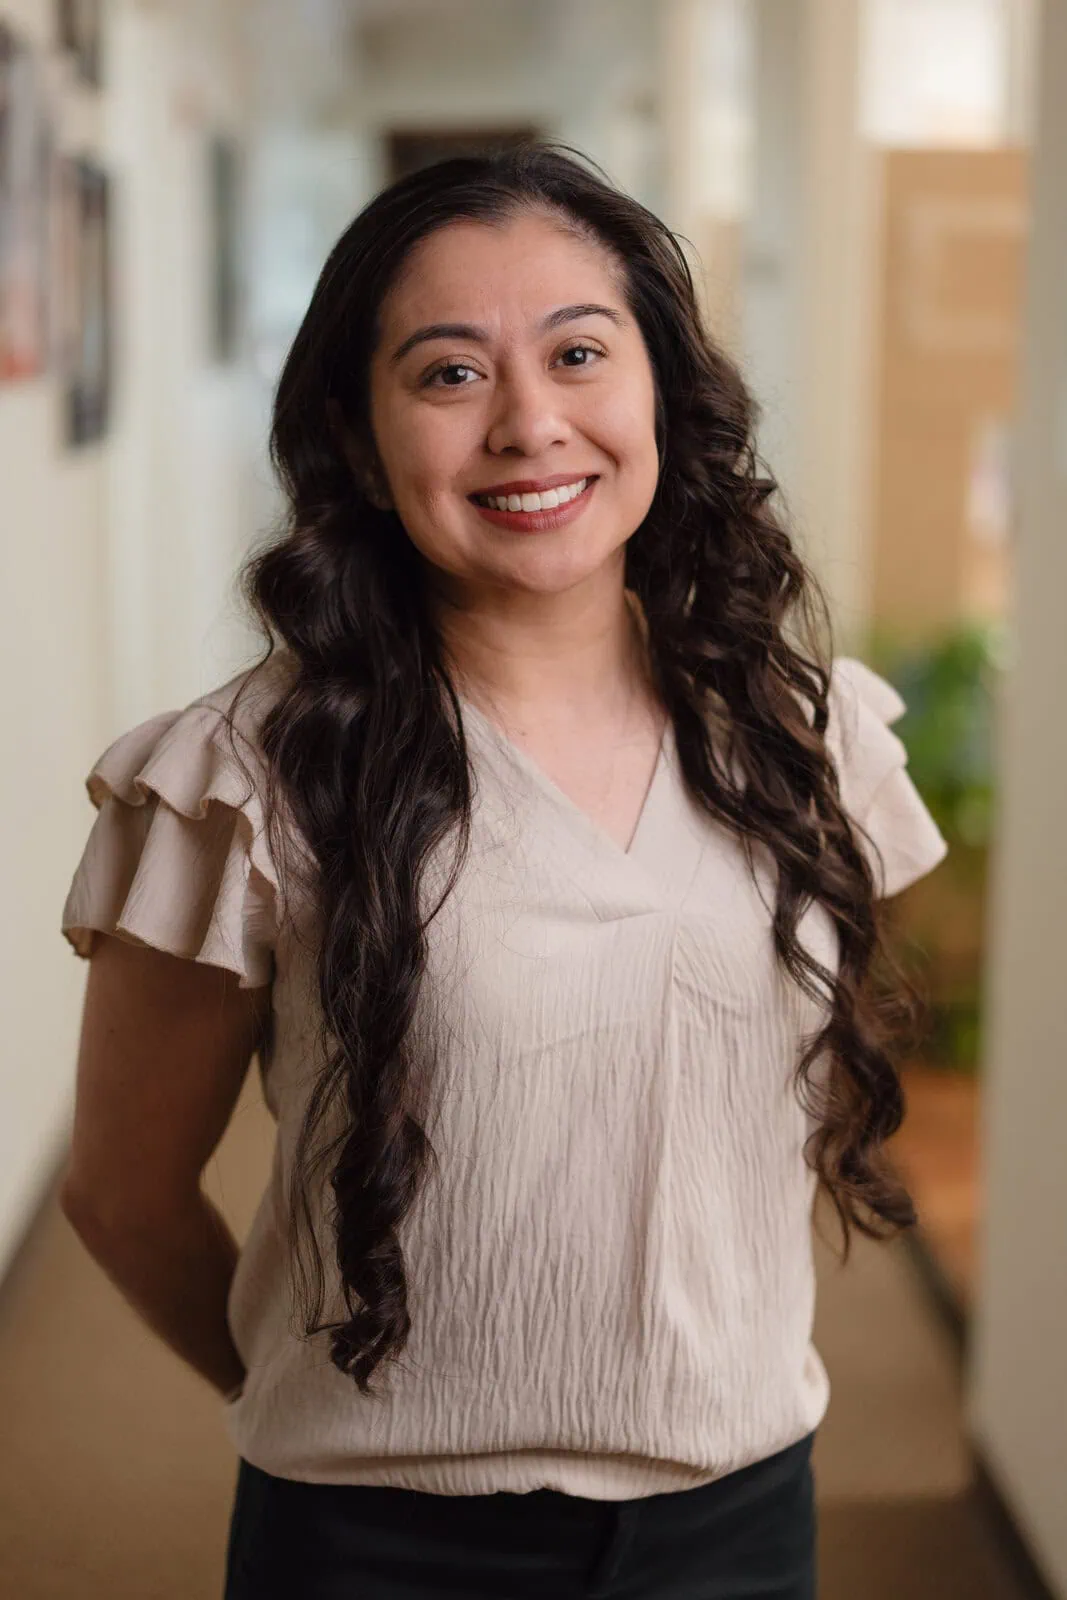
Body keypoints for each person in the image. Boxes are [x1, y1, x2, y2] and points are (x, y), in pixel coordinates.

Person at [58, 143, 947, 1599]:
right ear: (356, 436)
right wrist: (315, 1401)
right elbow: (123, 1195)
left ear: (659, 386)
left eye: (579, 353)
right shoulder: (245, 777)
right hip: (374, 1543)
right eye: (449, 374)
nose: (531, 425)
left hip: (739, 1520)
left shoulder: (811, 736)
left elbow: (814, 1071)